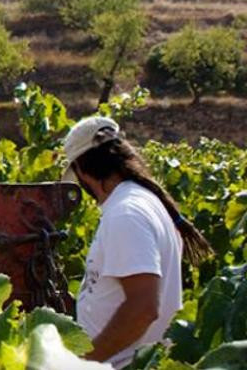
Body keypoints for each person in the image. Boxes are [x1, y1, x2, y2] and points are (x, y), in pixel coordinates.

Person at [60, 116, 212, 367]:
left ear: (82, 170)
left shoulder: (126, 214)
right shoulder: (140, 202)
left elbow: (143, 308)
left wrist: (85, 363)